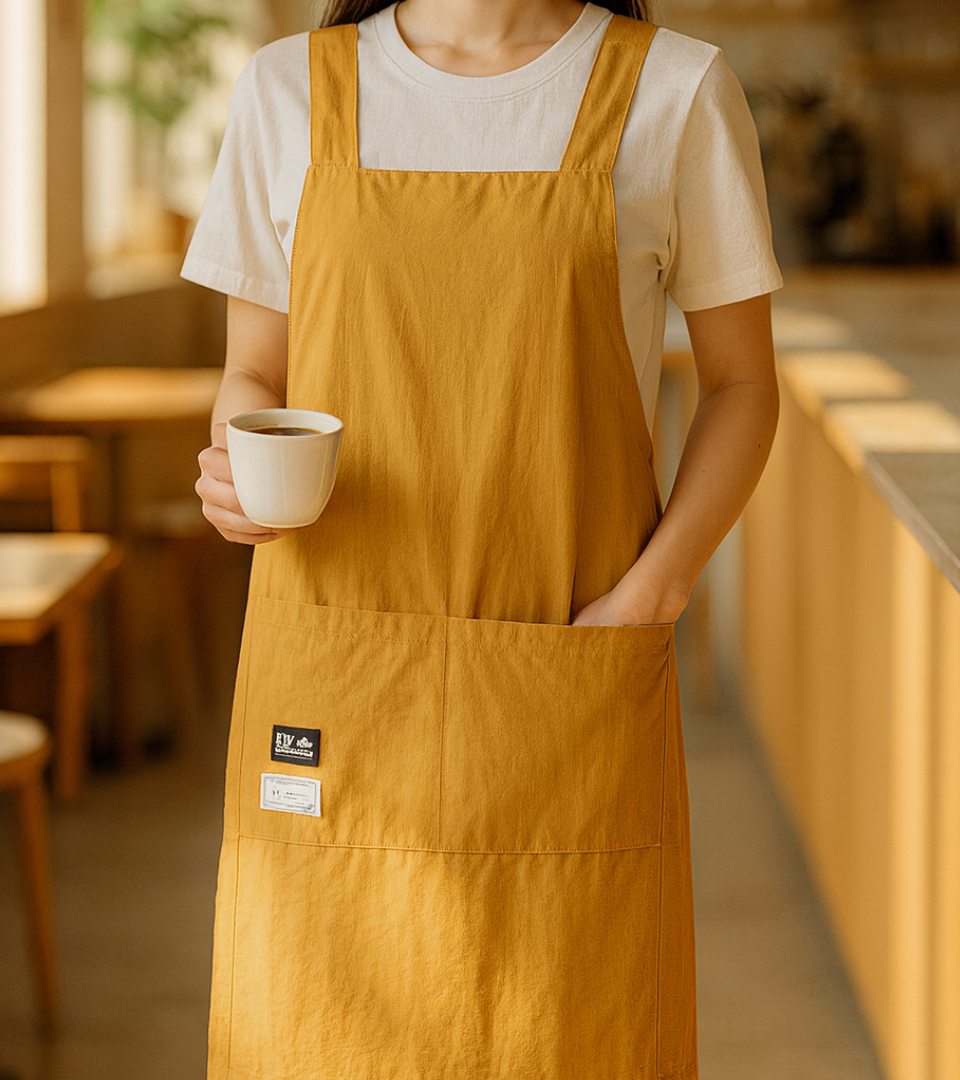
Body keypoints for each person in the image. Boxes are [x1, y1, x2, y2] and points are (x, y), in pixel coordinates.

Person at [184, 0, 782, 1073]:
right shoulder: (288, 88)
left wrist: (655, 593)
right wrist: (235, 463)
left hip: (569, 660)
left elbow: (743, 384)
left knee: (573, 1030)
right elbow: (255, 374)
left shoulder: (675, 90)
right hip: (334, 671)